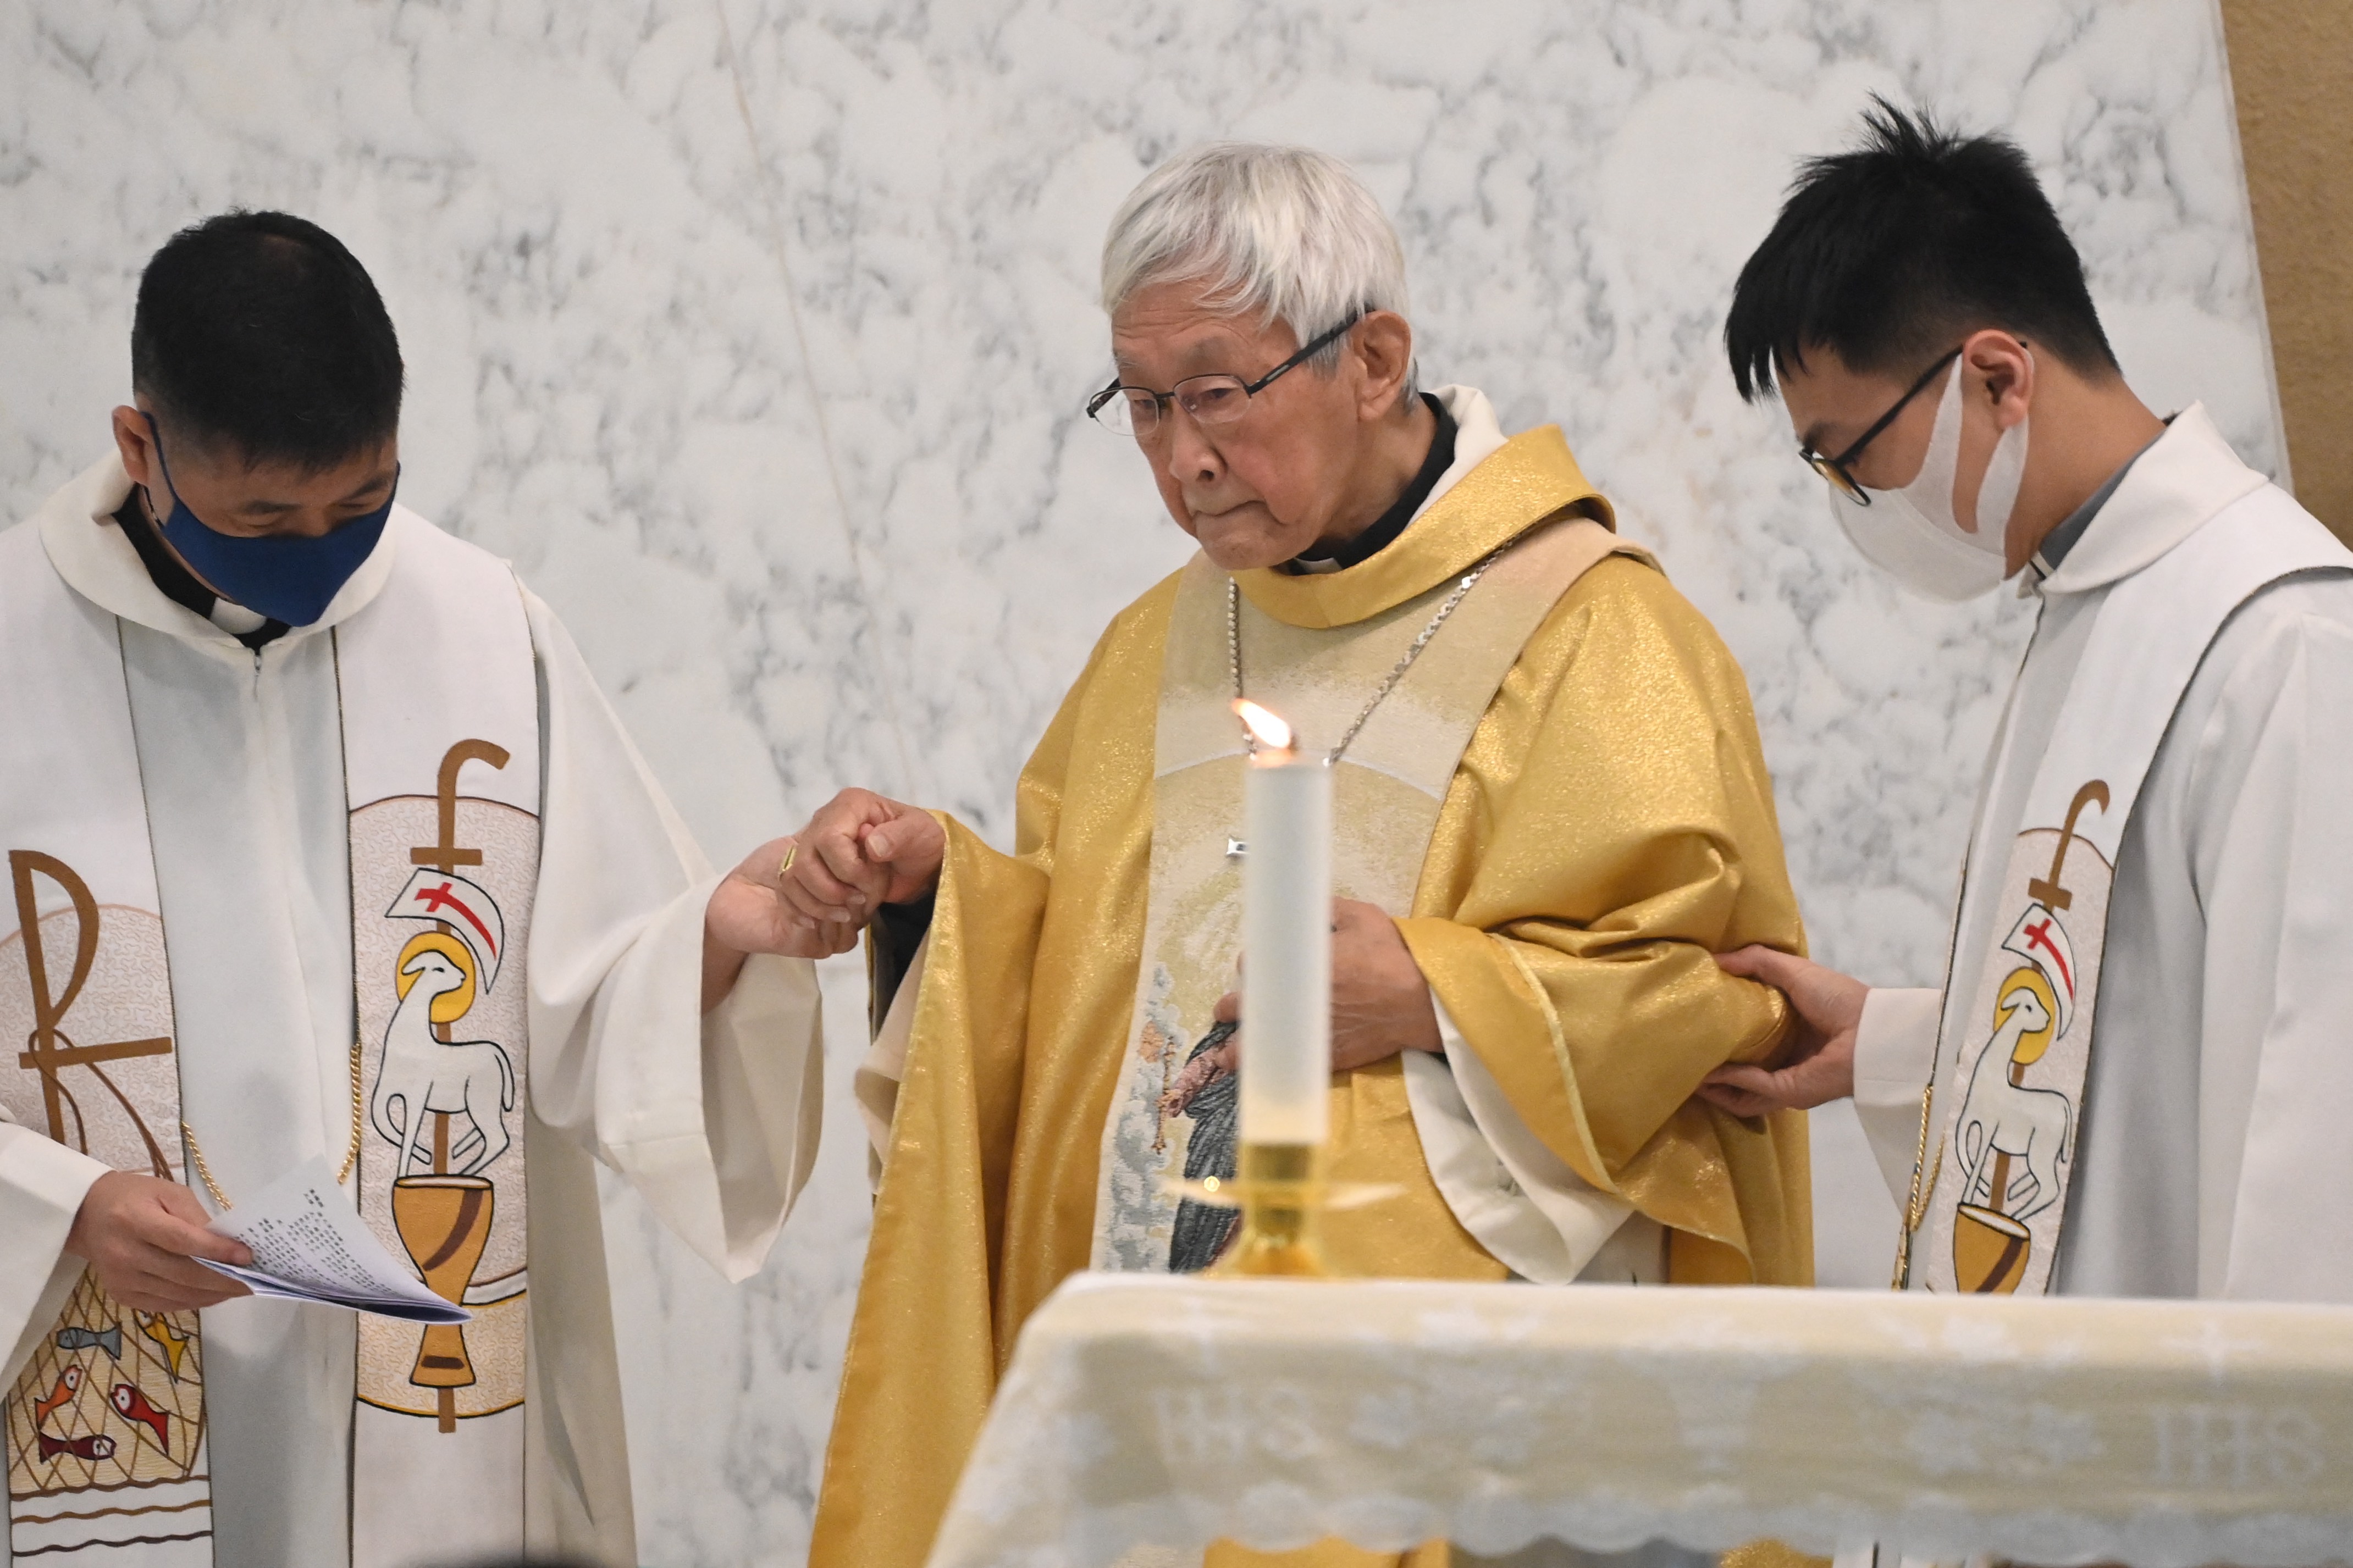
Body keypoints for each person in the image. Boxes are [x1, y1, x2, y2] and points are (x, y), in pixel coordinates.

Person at [786, 143, 1812, 1568]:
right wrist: (935, 898)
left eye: (1217, 393)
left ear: (1375, 357)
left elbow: (1728, 1008)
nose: (1183, 456)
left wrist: (1442, 995)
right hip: (1159, 1398)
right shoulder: (1158, 643)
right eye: (1143, 406)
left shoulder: (1597, 634)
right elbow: (1082, 976)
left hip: (1462, 1441)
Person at [0, 212, 828, 1568]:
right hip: (117, 1383)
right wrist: (59, 1206)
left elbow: (591, 996)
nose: (323, 555)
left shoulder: (482, 628)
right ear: (142, 447)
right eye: (268, 519)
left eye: (362, 501)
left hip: (431, 1423)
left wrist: (720, 938)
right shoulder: (10, 652)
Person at [1703, 102, 2353, 1307]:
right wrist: (1896, 1043)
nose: (1850, 504)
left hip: (2203, 1458)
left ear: (1997, 374)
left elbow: (2312, 1129)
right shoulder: (2093, 600)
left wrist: (2276, 1479)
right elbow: (2140, 1020)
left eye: (1850, 458)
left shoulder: (2285, 640)